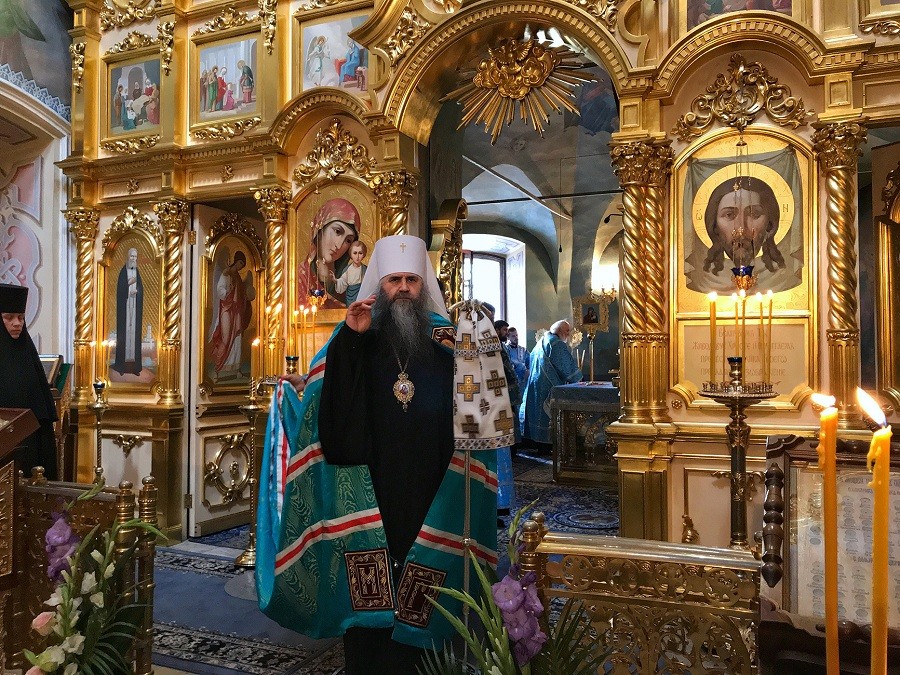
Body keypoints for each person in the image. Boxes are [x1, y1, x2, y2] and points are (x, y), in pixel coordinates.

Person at [257, 235, 504, 675]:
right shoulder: (355, 336)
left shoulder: (450, 343)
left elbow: (482, 414)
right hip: (371, 490)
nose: (403, 288)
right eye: (394, 280)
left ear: (423, 285)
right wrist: (350, 342)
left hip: (433, 488)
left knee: (429, 600)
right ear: (380, 285)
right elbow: (330, 413)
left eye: (412, 279)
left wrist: (483, 351)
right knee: (370, 615)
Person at [0, 283, 58, 480]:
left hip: (30, 442)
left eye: (21, 317)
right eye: (9, 317)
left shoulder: (27, 352)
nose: (17, 323)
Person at [520, 320, 582, 452]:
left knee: (537, 415)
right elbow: (565, 365)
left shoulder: (541, 341)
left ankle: (539, 444)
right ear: (559, 331)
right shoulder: (556, 343)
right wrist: (579, 379)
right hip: (548, 386)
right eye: (566, 331)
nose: (568, 334)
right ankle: (548, 445)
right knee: (548, 415)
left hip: (535, 384)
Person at [702, 177, 784, 276]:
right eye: (729, 215)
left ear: (769, 225)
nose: (741, 229)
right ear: (715, 226)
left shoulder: (783, 277)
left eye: (754, 214)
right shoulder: (706, 281)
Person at [298, 198, 360, 309]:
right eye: (337, 231)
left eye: (348, 240)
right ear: (320, 228)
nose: (339, 245)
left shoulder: (349, 283)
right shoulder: (299, 278)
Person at [208, 251, 255, 378]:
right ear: (236, 261)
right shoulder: (226, 273)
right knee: (226, 338)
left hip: (237, 311)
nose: (240, 266)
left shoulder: (238, 277)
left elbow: (242, 294)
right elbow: (220, 290)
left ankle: (237, 369)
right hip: (226, 310)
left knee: (237, 338)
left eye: (243, 265)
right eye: (240, 263)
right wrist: (228, 293)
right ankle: (218, 368)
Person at [491, 317, 518, 522]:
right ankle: (496, 505)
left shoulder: (495, 344)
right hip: (494, 405)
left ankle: (499, 505)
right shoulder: (493, 344)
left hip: (497, 404)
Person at [113, 247, 144, 376]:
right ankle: (121, 366)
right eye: (132, 256)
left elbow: (141, 289)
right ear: (128, 257)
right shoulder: (123, 271)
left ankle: (135, 367)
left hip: (135, 307)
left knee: (134, 335)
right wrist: (128, 285)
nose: (133, 259)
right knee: (124, 335)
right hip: (125, 308)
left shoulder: (137, 271)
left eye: (135, 257)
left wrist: (138, 292)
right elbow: (120, 290)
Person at [331, 239, 367, 305]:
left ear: (363, 254)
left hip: (362, 298)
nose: (357, 256)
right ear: (351, 254)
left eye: (360, 253)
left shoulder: (366, 269)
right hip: (350, 298)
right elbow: (342, 282)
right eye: (355, 253)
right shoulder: (348, 270)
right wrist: (335, 280)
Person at [506, 326, 529, 397]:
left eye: (516, 335)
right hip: (511, 381)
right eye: (513, 336)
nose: (516, 338)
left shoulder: (523, 350)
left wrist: (528, 370)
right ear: (508, 337)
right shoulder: (505, 349)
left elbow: (530, 363)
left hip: (524, 381)